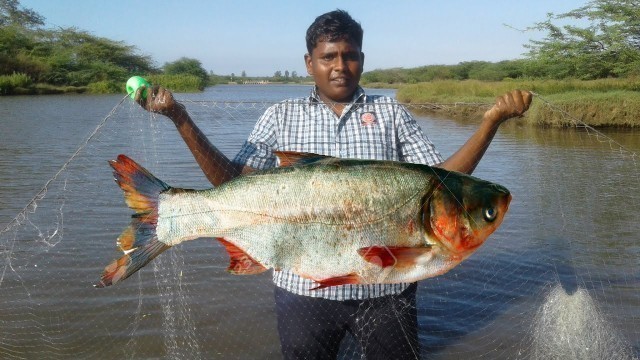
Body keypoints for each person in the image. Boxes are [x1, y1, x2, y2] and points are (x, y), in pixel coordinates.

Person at [136, 9, 532, 360]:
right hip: (303, 293)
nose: (340, 65)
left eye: (350, 55)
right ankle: (169, 217)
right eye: (328, 57)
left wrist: (490, 122)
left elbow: (443, 182)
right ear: (310, 63)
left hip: (386, 295)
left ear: (361, 59)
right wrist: (179, 117)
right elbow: (230, 183)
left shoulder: (390, 113)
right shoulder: (280, 116)